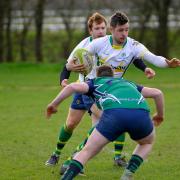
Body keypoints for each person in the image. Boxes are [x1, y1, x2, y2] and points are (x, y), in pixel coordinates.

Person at [58, 10, 180, 173]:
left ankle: (75, 160)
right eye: (120, 30)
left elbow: (153, 57)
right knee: (107, 124)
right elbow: (77, 58)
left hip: (113, 91)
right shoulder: (98, 44)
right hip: (93, 90)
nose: (124, 33)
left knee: (102, 128)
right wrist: (68, 68)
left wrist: (167, 64)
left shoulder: (133, 45)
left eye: (127, 29)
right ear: (112, 30)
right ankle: (72, 160)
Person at [45, 12, 155, 168]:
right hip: (84, 89)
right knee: (71, 124)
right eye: (97, 28)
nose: (100, 31)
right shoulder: (84, 46)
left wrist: (144, 68)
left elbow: (133, 56)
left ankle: (107, 157)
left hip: (104, 91)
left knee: (112, 116)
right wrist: (64, 77)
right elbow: (68, 64)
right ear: (90, 30)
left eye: (103, 28)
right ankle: (56, 154)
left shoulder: (111, 43)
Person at [46, 65, 165, 180]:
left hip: (114, 115)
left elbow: (71, 87)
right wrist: (159, 115)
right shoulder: (128, 83)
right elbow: (157, 93)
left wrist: (54, 104)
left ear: (97, 76)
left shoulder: (95, 83)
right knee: (146, 143)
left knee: (87, 151)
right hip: (141, 114)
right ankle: (128, 174)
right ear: (113, 76)